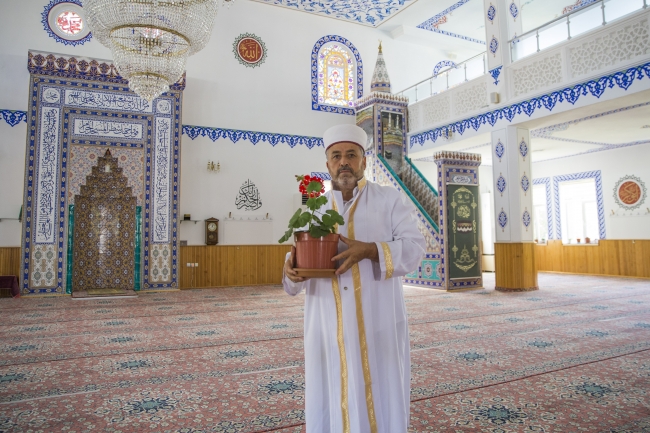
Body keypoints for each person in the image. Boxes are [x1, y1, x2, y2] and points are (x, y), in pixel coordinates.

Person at [283, 124, 426, 433]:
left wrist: (371, 250)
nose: (343, 162)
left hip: (378, 321)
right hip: (326, 323)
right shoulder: (316, 206)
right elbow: (298, 270)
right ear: (327, 165)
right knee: (330, 387)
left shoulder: (389, 199)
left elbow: (415, 249)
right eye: (336, 156)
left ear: (364, 160)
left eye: (351, 155)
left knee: (380, 383)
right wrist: (291, 268)